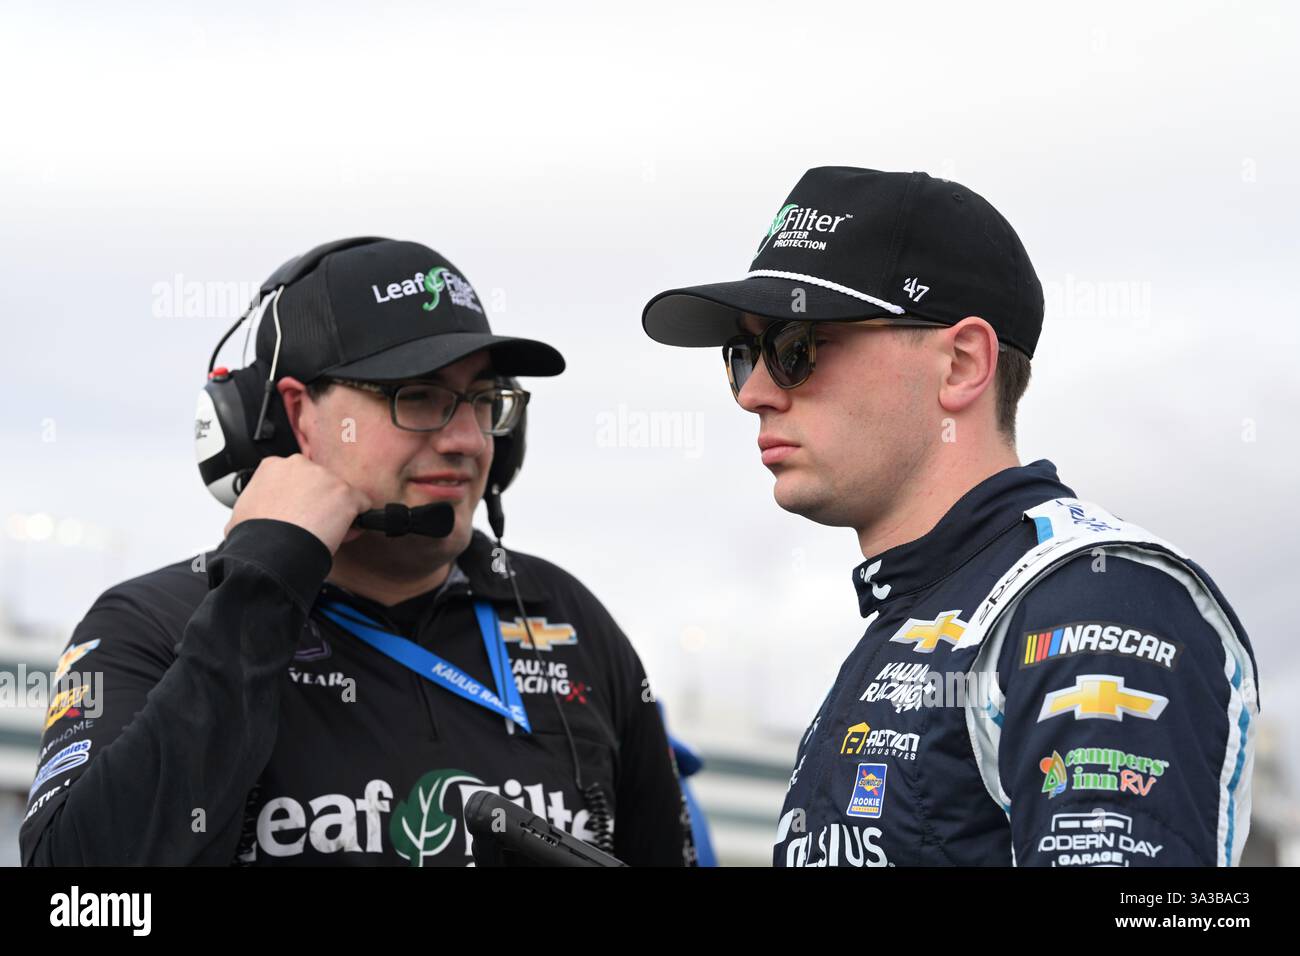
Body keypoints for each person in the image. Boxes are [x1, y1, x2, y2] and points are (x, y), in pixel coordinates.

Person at [641, 166, 1259, 867]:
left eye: (794, 348)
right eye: (742, 355)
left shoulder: (1093, 599)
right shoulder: (915, 613)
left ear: (962, 364)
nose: (754, 392)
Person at [22, 237, 694, 866]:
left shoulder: (569, 618)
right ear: (298, 415)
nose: (467, 439)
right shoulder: (153, 622)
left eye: (484, 400)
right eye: (419, 396)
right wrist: (260, 590)